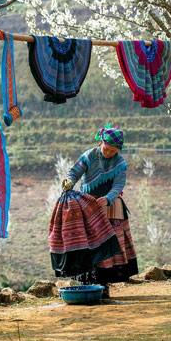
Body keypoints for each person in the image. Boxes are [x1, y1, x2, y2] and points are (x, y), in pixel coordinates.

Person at [61, 124, 138, 298]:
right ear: (100, 142)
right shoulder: (89, 155)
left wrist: (108, 198)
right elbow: (75, 172)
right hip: (88, 206)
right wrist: (69, 181)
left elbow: (119, 185)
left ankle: (104, 285)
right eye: (106, 149)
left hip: (110, 208)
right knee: (89, 244)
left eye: (113, 151)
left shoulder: (120, 163)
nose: (108, 153)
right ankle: (88, 283)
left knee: (107, 245)